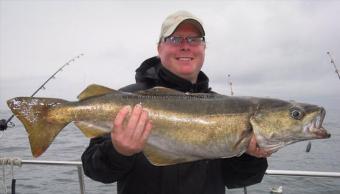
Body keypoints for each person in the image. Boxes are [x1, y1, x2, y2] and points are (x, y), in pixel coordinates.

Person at [81, 10, 269, 194]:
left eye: (194, 39)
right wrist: (118, 151)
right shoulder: (124, 100)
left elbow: (236, 179)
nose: (185, 46)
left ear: (204, 48)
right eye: (175, 39)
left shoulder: (226, 107)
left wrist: (250, 156)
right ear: (159, 48)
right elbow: (94, 170)